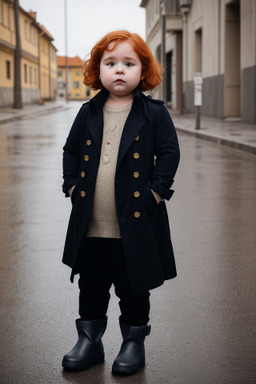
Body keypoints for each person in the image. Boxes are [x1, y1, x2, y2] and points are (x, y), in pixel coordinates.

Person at [61, 30, 180, 376]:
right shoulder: (87, 112)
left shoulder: (153, 113)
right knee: (92, 285)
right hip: (92, 224)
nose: (119, 70)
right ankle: (90, 340)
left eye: (128, 63)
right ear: (98, 70)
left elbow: (169, 154)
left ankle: (133, 343)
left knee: (133, 287)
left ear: (143, 71)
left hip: (136, 223)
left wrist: (156, 193)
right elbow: (70, 150)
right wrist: (71, 186)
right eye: (110, 63)